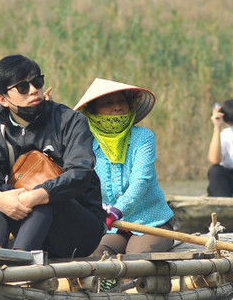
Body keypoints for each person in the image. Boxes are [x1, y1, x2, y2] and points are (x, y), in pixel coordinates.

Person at [0, 55, 103, 258]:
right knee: (2, 195)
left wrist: (35, 195)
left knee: (45, 196)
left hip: (79, 228)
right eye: (22, 87)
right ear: (2, 99)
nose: (33, 90)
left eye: (36, 82)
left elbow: (80, 173)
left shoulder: (70, 121)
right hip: (29, 222)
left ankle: (20, 266)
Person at [74, 78, 175, 256]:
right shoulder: (85, 144)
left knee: (135, 260)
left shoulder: (143, 138)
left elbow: (140, 182)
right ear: (93, 112)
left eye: (122, 101)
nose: (117, 107)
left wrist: (116, 211)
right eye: (108, 103)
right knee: (94, 258)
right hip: (112, 228)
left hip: (150, 223)